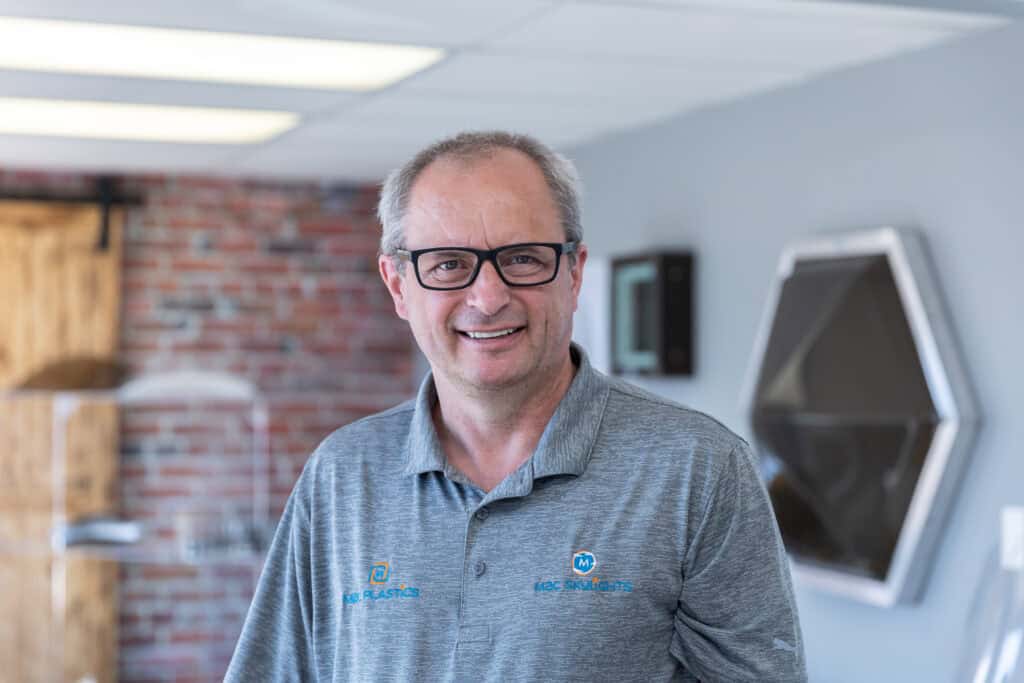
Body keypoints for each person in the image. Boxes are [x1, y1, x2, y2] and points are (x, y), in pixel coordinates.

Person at [225, 131, 807, 682]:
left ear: (573, 273)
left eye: (524, 258)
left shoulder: (696, 470)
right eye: (449, 263)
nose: (489, 297)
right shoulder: (342, 474)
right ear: (399, 286)